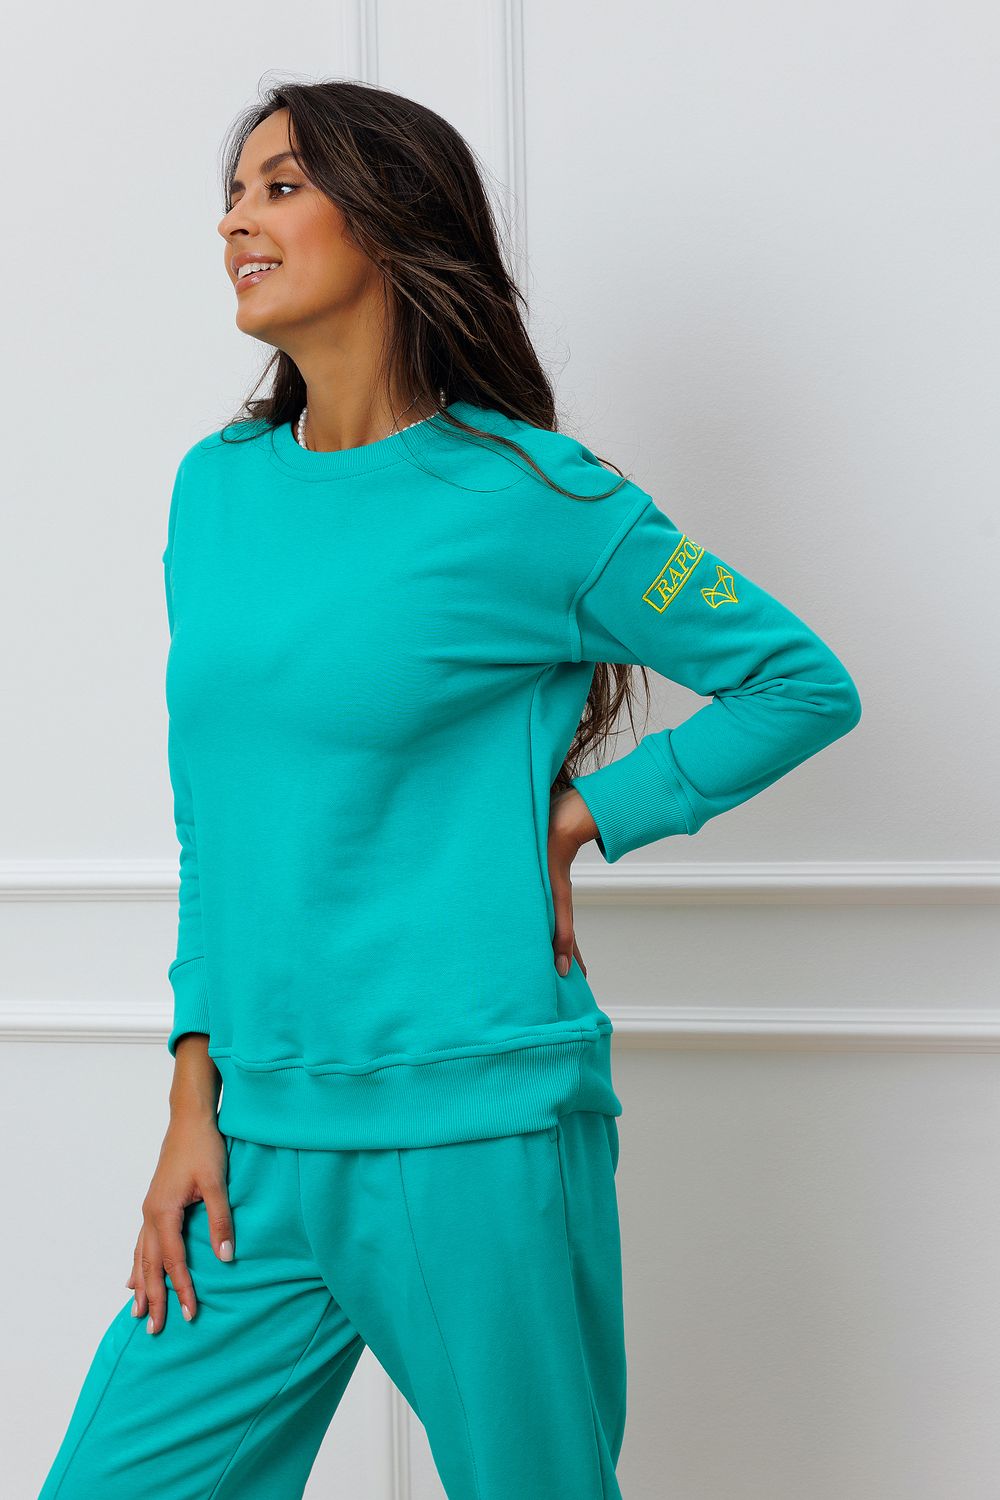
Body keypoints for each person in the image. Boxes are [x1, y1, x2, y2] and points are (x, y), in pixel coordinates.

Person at [38, 79, 862, 1500]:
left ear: (392, 219)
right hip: (257, 1142)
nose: (236, 220)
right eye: (232, 194)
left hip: (477, 1128)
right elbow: (218, 825)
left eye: (281, 186)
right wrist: (191, 1096)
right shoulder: (216, 489)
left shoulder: (540, 498)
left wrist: (586, 817)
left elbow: (799, 682)